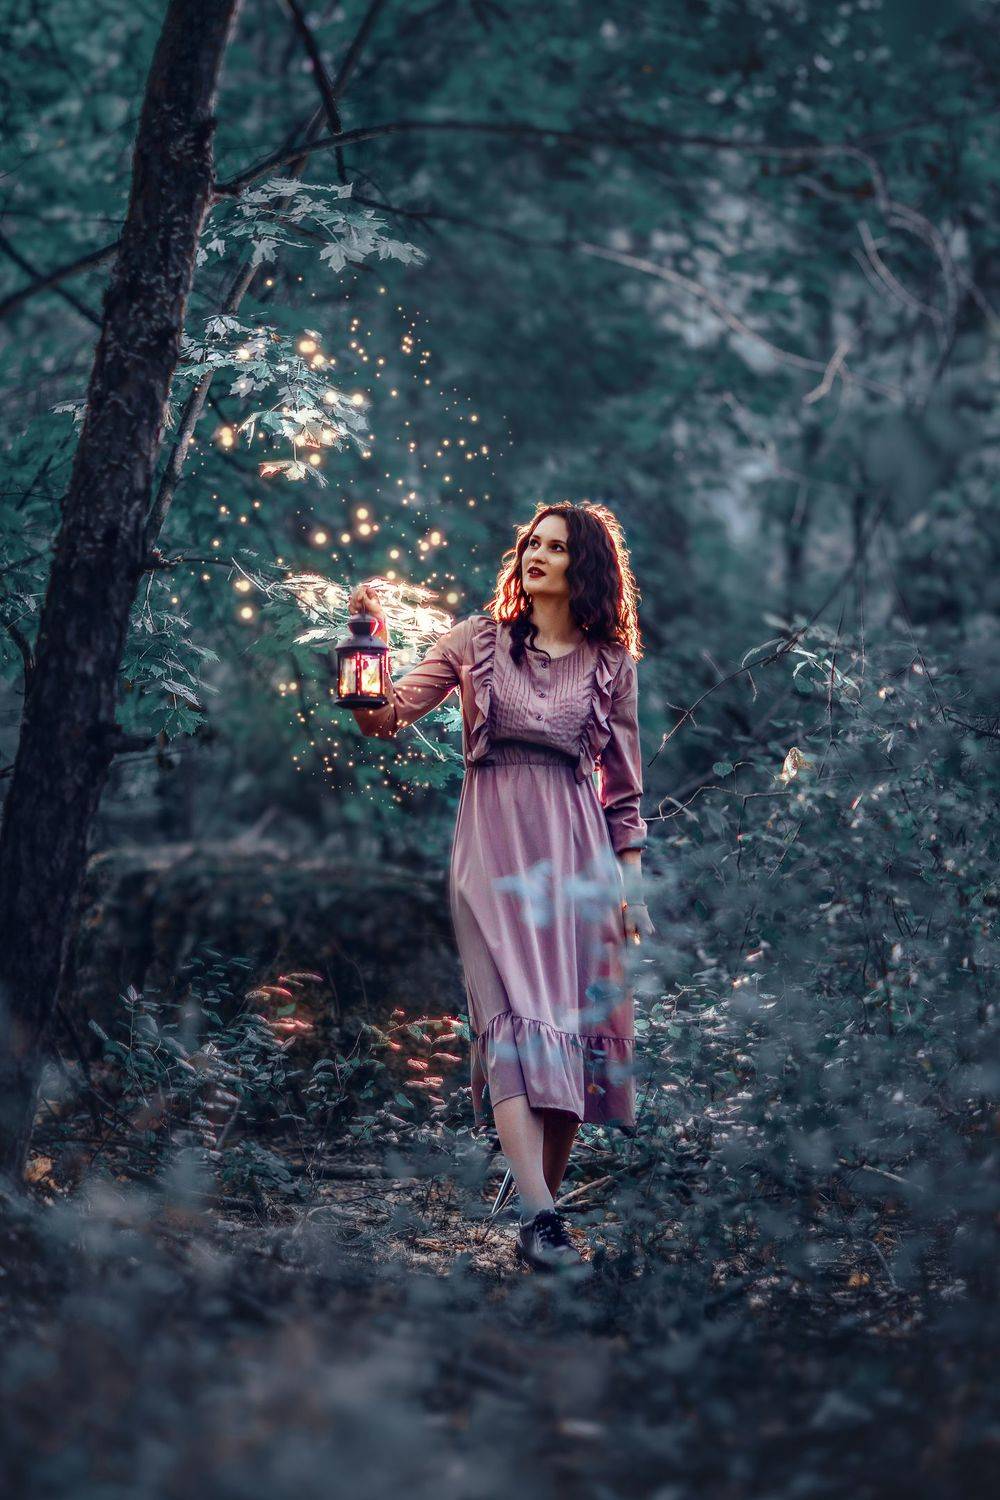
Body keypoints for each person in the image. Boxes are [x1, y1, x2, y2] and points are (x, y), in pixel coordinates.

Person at [346, 501, 654, 1272]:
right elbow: (383, 719)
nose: (536, 556)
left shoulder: (612, 663)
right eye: (530, 544)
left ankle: (540, 1224)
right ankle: (540, 1213)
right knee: (511, 1020)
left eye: (554, 548)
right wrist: (365, 647)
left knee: (573, 1033)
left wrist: (632, 890)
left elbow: (624, 795)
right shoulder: (474, 642)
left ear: (583, 567)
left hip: (578, 859)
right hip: (490, 852)